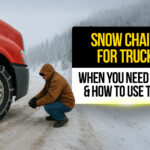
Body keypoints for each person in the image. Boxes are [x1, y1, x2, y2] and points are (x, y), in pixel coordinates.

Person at [28, 64, 75, 128]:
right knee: (48, 105)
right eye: (41, 75)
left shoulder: (56, 80)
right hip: (60, 101)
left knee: (48, 106)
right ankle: (55, 116)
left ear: (48, 73)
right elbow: (44, 91)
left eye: (43, 74)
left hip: (67, 103)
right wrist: (35, 98)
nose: (42, 77)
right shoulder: (50, 78)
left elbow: (50, 97)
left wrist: (36, 103)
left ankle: (62, 118)